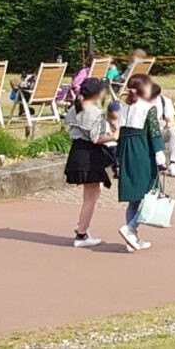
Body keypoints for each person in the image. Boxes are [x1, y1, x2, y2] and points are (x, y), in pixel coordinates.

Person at [113, 73, 168, 253]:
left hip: (127, 152)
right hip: (143, 152)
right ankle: (131, 228)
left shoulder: (124, 107)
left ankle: (132, 239)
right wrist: (161, 159)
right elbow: (154, 134)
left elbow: (120, 135)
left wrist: (119, 159)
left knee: (134, 198)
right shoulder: (148, 107)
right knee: (149, 194)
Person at [63, 78, 118, 248]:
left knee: (93, 192)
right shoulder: (94, 112)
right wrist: (115, 136)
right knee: (90, 198)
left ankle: (82, 226)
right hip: (89, 155)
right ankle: (81, 234)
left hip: (77, 151)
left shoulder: (74, 108)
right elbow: (96, 139)